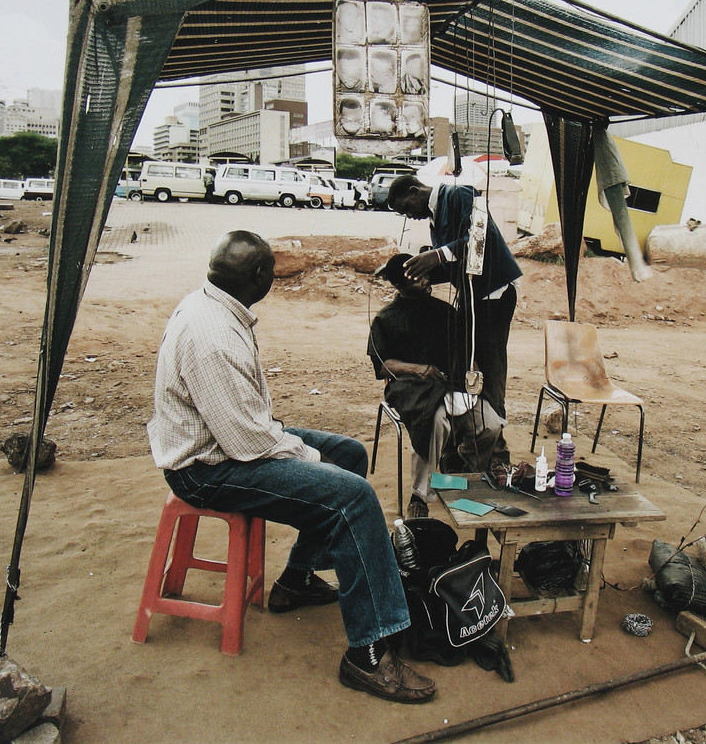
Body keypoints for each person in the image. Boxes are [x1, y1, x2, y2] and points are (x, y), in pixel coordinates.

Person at [148, 230, 436, 704]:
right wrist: (309, 459)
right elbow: (249, 444)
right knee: (354, 497)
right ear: (262, 276)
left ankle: (296, 580)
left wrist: (315, 457)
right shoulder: (213, 336)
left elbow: (247, 427)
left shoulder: (213, 303)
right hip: (208, 469)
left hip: (229, 443)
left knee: (350, 455)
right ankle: (368, 652)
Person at [386, 175, 522, 468]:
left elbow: (480, 239)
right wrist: (412, 272)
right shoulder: (438, 215)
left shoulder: (458, 195)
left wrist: (439, 254)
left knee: (489, 371)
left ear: (414, 190)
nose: (409, 215)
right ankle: (475, 444)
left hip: (493, 295)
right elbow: (455, 265)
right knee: (466, 367)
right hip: (474, 295)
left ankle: (498, 457)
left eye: (406, 208)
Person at [368, 253, 503, 519]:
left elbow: (466, 349)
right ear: (399, 285)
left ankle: (461, 474)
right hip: (409, 386)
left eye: (426, 275)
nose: (426, 280)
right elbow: (383, 366)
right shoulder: (386, 318)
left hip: (447, 383)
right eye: (418, 279)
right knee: (435, 421)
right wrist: (418, 369)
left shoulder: (444, 312)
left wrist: (472, 368)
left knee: (491, 424)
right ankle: (420, 495)